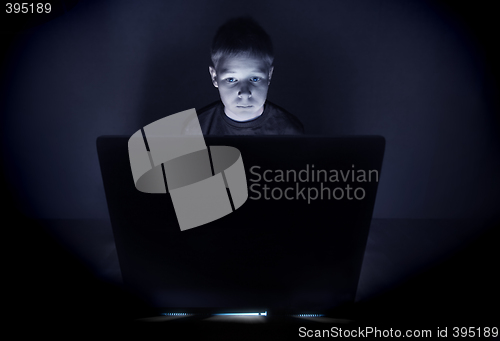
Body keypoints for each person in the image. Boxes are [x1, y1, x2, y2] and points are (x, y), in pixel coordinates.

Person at [185, 17, 304, 135]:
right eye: (231, 79)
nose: (245, 93)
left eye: (255, 79)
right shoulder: (194, 130)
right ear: (214, 77)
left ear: (269, 75)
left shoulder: (289, 131)